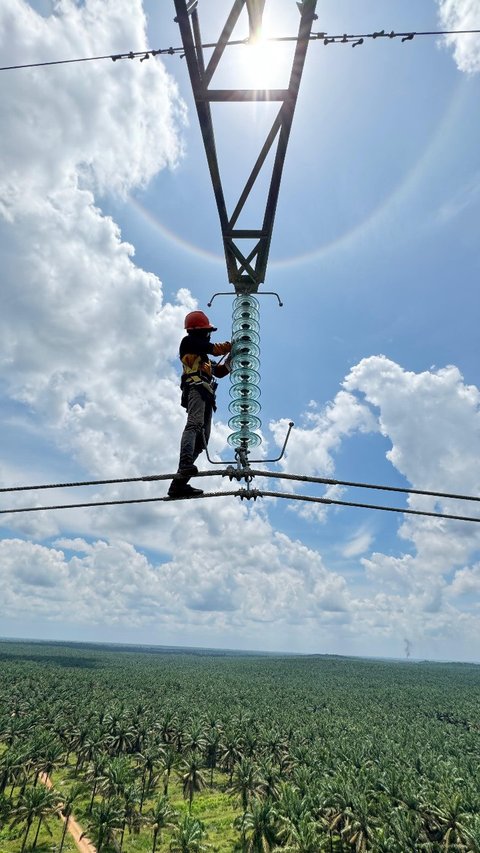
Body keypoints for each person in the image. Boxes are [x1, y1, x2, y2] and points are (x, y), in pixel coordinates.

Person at [168, 310, 231, 499]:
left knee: (202, 440)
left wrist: (232, 357)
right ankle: (186, 463)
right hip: (195, 389)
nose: (208, 334)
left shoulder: (203, 357)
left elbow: (219, 371)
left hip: (206, 394)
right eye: (207, 331)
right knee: (194, 424)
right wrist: (233, 345)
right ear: (200, 332)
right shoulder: (189, 343)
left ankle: (178, 484)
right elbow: (215, 348)